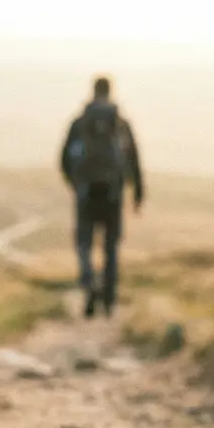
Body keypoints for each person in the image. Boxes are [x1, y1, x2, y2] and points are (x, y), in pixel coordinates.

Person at [60, 76, 144, 318]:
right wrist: (137, 192)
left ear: (93, 91)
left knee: (84, 242)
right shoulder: (119, 123)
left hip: (86, 191)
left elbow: (64, 158)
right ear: (110, 91)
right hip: (113, 192)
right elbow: (133, 159)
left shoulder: (80, 123)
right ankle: (109, 297)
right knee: (110, 245)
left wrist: (76, 184)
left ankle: (90, 282)